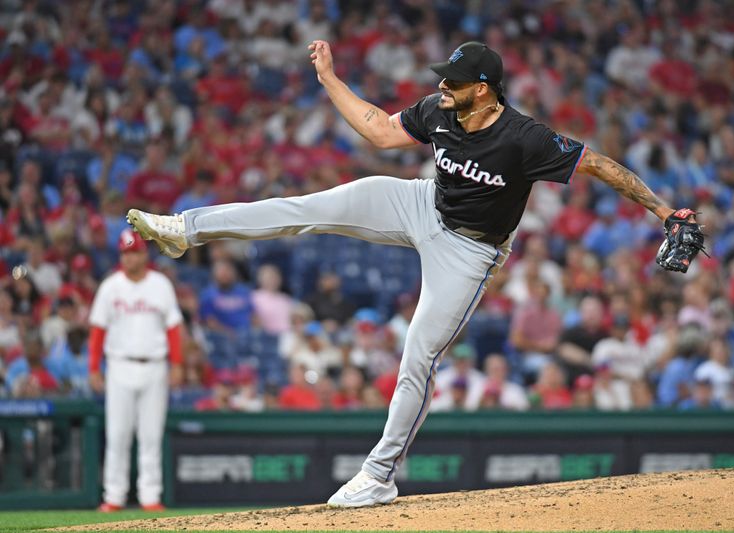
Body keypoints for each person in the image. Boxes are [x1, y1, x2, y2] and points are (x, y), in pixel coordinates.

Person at [127, 40, 698, 507]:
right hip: (422, 204)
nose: (442, 86)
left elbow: (598, 164)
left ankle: (378, 475)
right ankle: (184, 229)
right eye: (443, 78)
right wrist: (329, 78)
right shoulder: (441, 109)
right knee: (309, 208)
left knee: (418, 354)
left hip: (470, 251)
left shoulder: (524, 138)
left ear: (484, 88)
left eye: (454, 80)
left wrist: (663, 211)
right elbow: (377, 129)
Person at [88, 229, 184, 512]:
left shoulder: (160, 285)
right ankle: (114, 497)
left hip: (154, 365)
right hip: (119, 365)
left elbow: (174, 328)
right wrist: (94, 367)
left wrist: (176, 364)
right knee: (117, 434)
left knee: (151, 435)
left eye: (134, 252)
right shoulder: (110, 287)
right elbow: (97, 330)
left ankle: (150, 496)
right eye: (125, 253)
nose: (129, 258)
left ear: (145, 253)